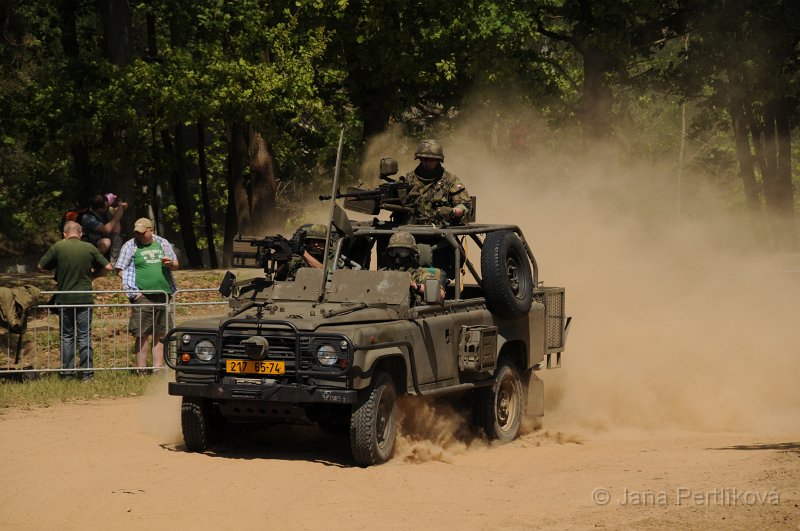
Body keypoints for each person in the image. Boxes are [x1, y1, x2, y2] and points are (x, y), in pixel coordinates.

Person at [38, 221, 113, 380]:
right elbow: (108, 267)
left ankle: (67, 374)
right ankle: (87, 374)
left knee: (67, 336)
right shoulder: (89, 248)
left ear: (65, 234)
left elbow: (41, 265)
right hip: (84, 298)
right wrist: (93, 276)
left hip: (64, 299)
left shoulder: (58, 247)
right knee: (84, 336)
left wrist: (58, 271)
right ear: (80, 234)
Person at [114, 217, 179, 373]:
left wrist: (170, 264)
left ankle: (157, 368)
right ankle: (141, 370)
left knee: (161, 333)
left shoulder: (163, 243)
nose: (140, 235)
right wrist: (134, 292)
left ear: (151, 230)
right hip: (142, 297)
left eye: (143, 233)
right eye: (137, 233)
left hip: (163, 295)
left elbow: (176, 265)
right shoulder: (130, 246)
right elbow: (119, 269)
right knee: (142, 334)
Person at [404, 139, 472, 225]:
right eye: (425, 159)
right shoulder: (409, 179)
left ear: (438, 160)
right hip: (410, 230)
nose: (428, 163)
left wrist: (452, 211)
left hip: (440, 231)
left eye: (432, 160)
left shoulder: (450, 180)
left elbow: (465, 206)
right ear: (420, 159)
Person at [382, 231, 445, 305]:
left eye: (402, 252)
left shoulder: (420, 273)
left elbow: (441, 294)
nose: (397, 256)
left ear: (412, 255)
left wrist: (415, 286)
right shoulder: (383, 273)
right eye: (393, 252)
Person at [81, 193, 128, 263]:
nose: (108, 208)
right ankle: (89, 262)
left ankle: (114, 262)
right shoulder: (88, 218)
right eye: (106, 207)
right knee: (106, 243)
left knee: (117, 238)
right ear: (100, 209)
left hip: (98, 241)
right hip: (88, 244)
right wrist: (117, 216)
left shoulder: (103, 213)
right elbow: (107, 229)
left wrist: (121, 207)